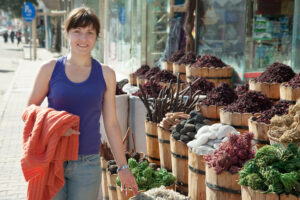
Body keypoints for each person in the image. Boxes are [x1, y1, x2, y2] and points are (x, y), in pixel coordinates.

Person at [26, 7, 138, 200]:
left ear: (97, 37)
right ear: (67, 33)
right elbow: (29, 111)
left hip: (87, 163)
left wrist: (123, 166)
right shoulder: (50, 69)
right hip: (52, 158)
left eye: (90, 33)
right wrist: (55, 126)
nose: (83, 39)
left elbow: (111, 123)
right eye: (77, 31)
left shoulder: (106, 74)